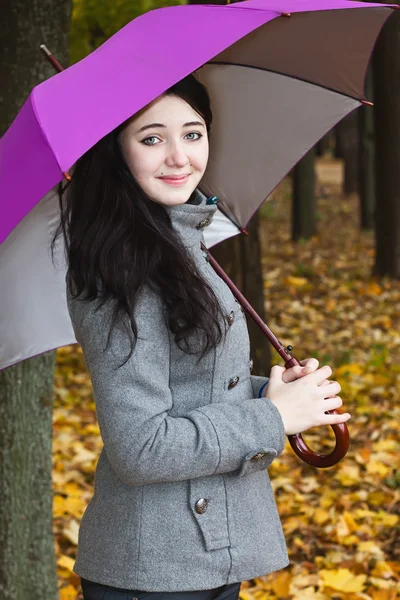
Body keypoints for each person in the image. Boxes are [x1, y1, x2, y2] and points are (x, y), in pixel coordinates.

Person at [52, 73, 350, 600]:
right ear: (116, 151)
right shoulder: (117, 273)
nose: (179, 157)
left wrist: (273, 390)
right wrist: (274, 418)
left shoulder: (180, 242)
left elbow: (191, 381)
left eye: (193, 134)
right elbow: (141, 447)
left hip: (207, 556)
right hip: (153, 572)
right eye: (151, 138)